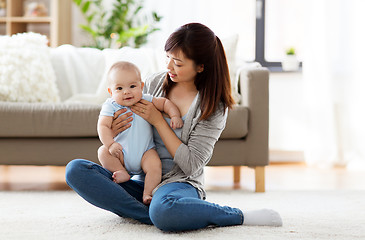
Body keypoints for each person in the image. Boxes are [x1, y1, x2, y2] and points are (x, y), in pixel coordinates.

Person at [66, 23, 282, 231]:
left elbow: (191, 165)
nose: (168, 67)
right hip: (142, 181)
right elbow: (123, 123)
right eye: (168, 58)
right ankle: (157, 214)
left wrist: (159, 121)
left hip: (179, 184)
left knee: (165, 208)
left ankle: (233, 215)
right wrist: (113, 133)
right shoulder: (154, 83)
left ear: (200, 66)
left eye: (177, 63)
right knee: (76, 170)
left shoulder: (213, 107)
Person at [97, 61, 183, 205]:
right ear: (111, 92)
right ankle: (121, 171)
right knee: (102, 152)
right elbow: (103, 126)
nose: (127, 91)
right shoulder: (110, 106)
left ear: (141, 86)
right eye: (119, 88)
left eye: (132, 86)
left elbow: (165, 103)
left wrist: (175, 116)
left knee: (155, 166)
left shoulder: (145, 100)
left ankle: (147, 194)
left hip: (146, 152)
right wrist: (110, 144)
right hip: (120, 154)